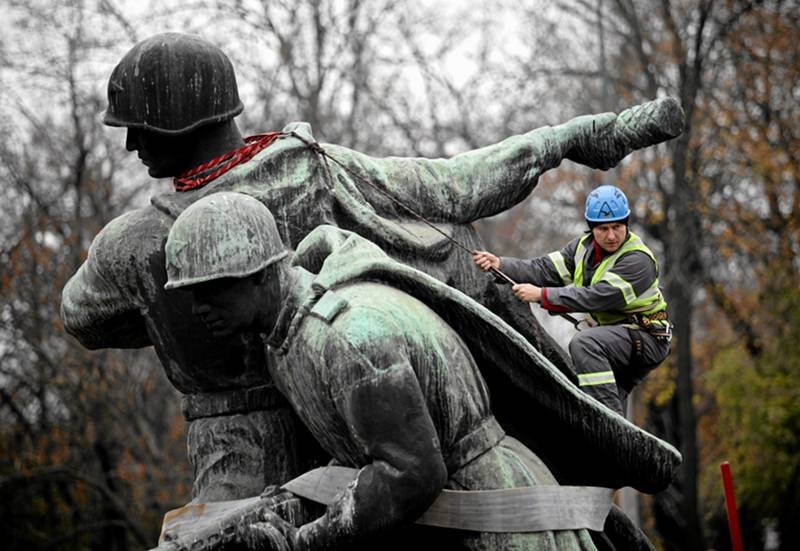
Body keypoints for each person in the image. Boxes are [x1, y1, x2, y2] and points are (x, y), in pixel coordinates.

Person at [61, 32, 684, 502]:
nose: (131, 145)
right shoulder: (319, 173)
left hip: (245, 466)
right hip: (360, 440)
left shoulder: (133, 245)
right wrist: (567, 138)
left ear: (177, 122)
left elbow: (85, 318)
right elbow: (455, 187)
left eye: (139, 127)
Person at [160, 191, 679, 550]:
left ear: (257, 275)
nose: (198, 308)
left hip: (493, 516)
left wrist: (304, 541)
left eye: (211, 289)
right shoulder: (285, 338)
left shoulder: (347, 339)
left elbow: (412, 474)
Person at [473, 184, 672, 416]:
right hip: (615, 338)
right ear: (591, 229)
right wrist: (501, 264)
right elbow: (543, 270)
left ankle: (610, 428)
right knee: (605, 391)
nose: (611, 235)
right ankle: (616, 443)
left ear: (626, 224)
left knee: (585, 344)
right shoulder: (580, 249)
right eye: (603, 229)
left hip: (646, 338)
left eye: (617, 227)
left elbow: (597, 297)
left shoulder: (638, 261)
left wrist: (541, 295)